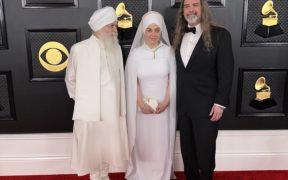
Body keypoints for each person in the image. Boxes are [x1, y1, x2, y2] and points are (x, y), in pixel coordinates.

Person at [65, 7, 129, 180]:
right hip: (89, 110)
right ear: (99, 27)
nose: (115, 30)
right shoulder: (78, 49)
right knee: (92, 147)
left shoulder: (115, 49)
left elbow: (120, 79)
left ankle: (104, 175)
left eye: (115, 25)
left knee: (108, 146)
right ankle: (95, 176)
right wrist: (82, 100)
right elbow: (70, 79)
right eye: (111, 26)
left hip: (112, 109)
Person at [172, 0, 234, 179]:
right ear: (182, 11)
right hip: (183, 106)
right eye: (187, 6)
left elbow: (226, 72)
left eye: (195, 4)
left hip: (207, 107)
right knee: (187, 153)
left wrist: (220, 104)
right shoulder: (177, 35)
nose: (190, 9)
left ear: (203, 8)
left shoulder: (221, 35)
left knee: (205, 153)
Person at [125, 11, 177, 180]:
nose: (153, 34)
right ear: (143, 31)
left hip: (164, 109)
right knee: (143, 143)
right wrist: (141, 104)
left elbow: (173, 80)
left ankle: (162, 174)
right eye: (149, 30)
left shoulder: (169, 52)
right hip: (142, 110)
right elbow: (133, 82)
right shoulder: (135, 54)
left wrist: (166, 102)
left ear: (161, 32)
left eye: (157, 30)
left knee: (161, 143)